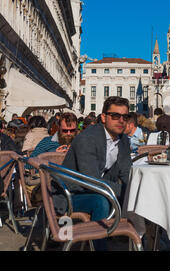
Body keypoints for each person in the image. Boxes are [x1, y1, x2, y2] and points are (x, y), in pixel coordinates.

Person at [60, 97, 133, 251]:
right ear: (103, 117)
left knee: (139, 196)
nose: (121, 120)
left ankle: (142, 241)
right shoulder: (87, 138)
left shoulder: (123, 140)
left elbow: (127, 173)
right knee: (101, 201)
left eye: (125, 117)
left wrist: (135, 190)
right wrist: (128, 191)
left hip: (97, 191)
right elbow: (91, 181)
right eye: (115, 116)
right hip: (70, 194)